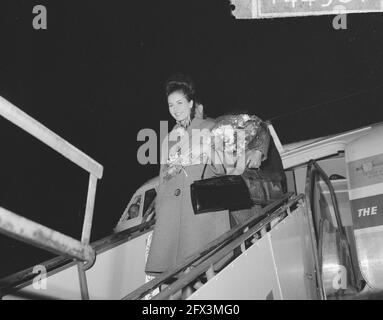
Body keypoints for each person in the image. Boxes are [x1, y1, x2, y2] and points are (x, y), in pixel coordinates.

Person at [145, 75, 231, 278]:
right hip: (172, 214)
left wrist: (205, 149)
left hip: (201, 211)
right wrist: (159, 210)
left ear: (191, 103)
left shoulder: (210, 127)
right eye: (170, 105)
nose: (175, 109)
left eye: (180, 103)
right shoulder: (168, 138)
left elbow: (223, 168)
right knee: (178, 278)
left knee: (207, 269)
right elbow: (163, 179)